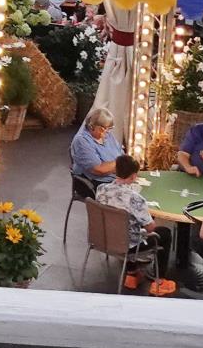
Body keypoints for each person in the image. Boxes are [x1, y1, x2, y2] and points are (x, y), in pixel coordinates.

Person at [92, 155, 174, 295]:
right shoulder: (135, 198)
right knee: (164, 233)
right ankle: (159, 282)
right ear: (134, 175)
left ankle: (132, 274)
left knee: (128, 228)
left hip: (102, 238)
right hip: (126, 245)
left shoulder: (101, 189)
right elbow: (150, 228)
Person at [70, 106, 122, 181]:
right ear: (91, 126)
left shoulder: (108, 135)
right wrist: (121, 164)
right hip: (99, 182)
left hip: (118, 177)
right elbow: (99, 169)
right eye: (103, 128)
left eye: (109, 128)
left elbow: (121, 155)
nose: (106, 131)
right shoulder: (82, 141)